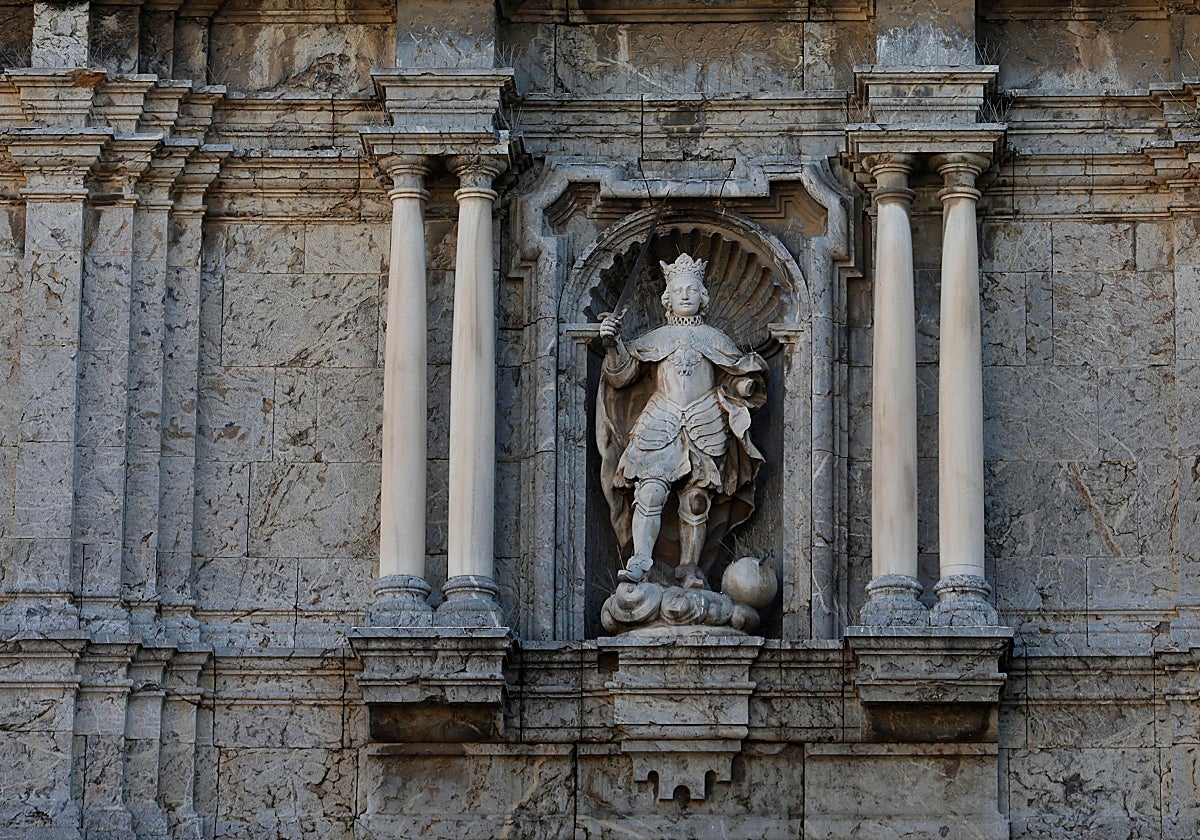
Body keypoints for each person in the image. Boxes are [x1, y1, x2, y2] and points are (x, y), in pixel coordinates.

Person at [596, 252, 767, 590]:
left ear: (703, 296)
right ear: (667, 300)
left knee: (697, 499)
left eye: (692, 289)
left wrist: (744, 384)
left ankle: (690, 567)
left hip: (705, 420)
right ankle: (641, 561)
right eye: (679, 291)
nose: (685, 295)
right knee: (649, 491)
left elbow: (734, 373)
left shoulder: (716, 338)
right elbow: (621, 376)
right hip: (661, 419)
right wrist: (613, 343)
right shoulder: (656, 338)